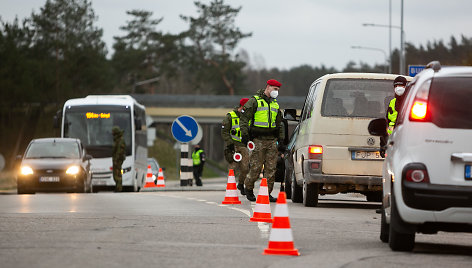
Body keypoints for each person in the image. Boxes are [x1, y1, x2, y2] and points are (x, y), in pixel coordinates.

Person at [240, 79, 285, 202]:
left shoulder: (275, 104)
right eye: (275, 89)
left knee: (271, 169)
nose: (276, 92)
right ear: (268, 87)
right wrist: (244, 135)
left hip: (271, 140)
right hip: (258, 139)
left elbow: (279, 124)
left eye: (278, 90)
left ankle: (266, 193)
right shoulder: (254, 101)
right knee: (256, 167)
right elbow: (244, 118)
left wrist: (281, 139)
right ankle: (248, 188)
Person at [221, 98, 250, 195]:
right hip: (233, 145)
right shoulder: (230, 116)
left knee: (245, 168)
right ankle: (230, 188)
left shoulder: (249, 117)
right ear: (242, 106)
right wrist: (230, 144)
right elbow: (224, 132)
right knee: (233, 167)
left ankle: (241, 184)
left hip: (244, 146)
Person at [380, 76, 408, 157]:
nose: (398, 88)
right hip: (392, 143)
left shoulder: (411, 102)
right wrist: (382, 145)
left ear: (406, 87)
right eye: (396, 86)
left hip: (406, 143)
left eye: (401, 86)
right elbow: (387, 124)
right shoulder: (392, 103)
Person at [112, 126, 126, 192]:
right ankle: (118, 186)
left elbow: (119, 151)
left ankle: (119, 187)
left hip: (118, 160)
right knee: (116, 173)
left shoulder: (120, 141)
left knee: (117, 173)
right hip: (116, 159)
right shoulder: (117, 140)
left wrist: (116, 160)